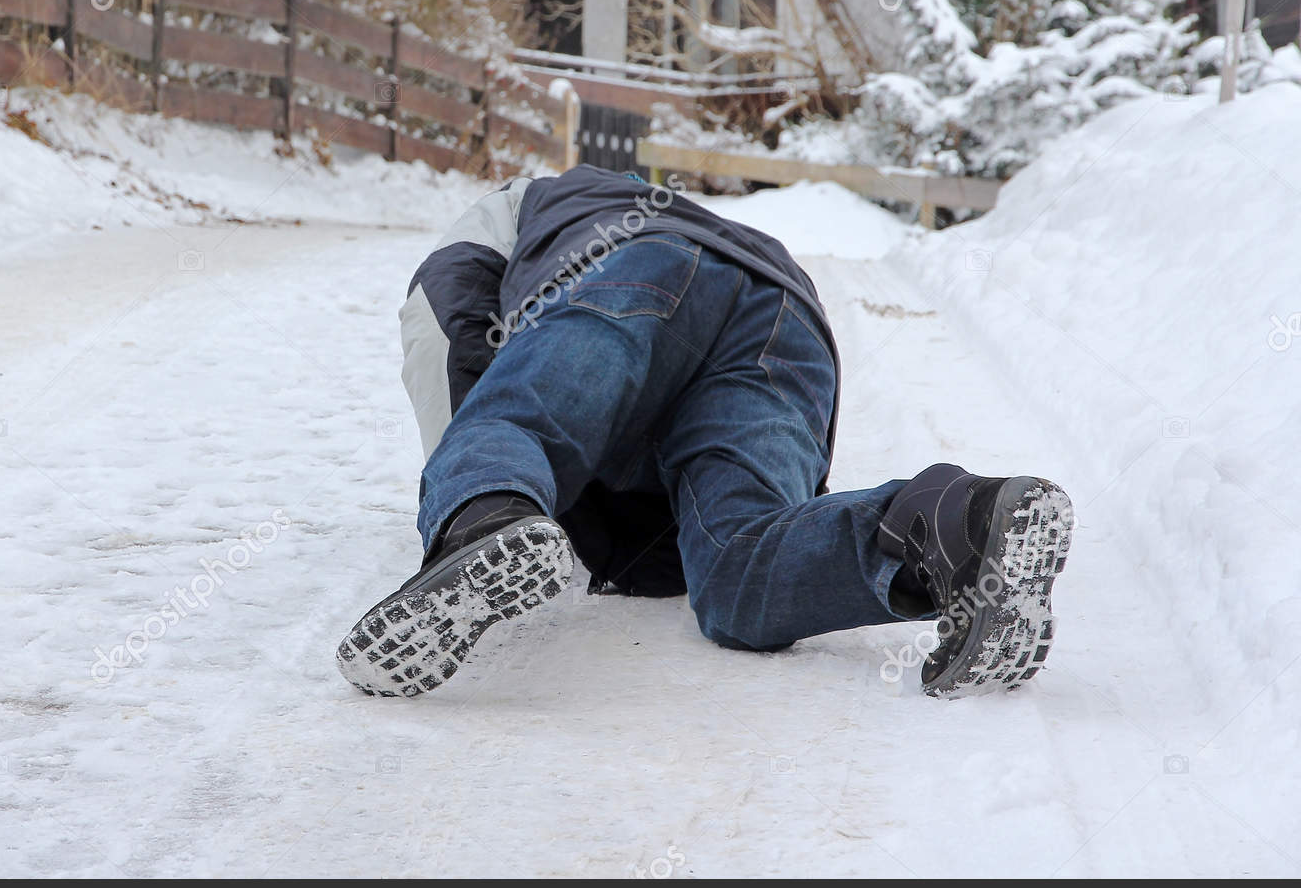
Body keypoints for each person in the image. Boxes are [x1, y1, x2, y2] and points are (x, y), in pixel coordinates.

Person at [336, 165, 1072, 700]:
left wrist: (476, 498)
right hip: (786, 317)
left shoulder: (513, 203)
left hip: (640, 270)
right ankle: (953, 526)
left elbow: (446, 332)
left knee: (509, 419)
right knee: (736, 573)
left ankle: (483, 517)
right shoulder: (652, 205)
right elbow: (665, 556)